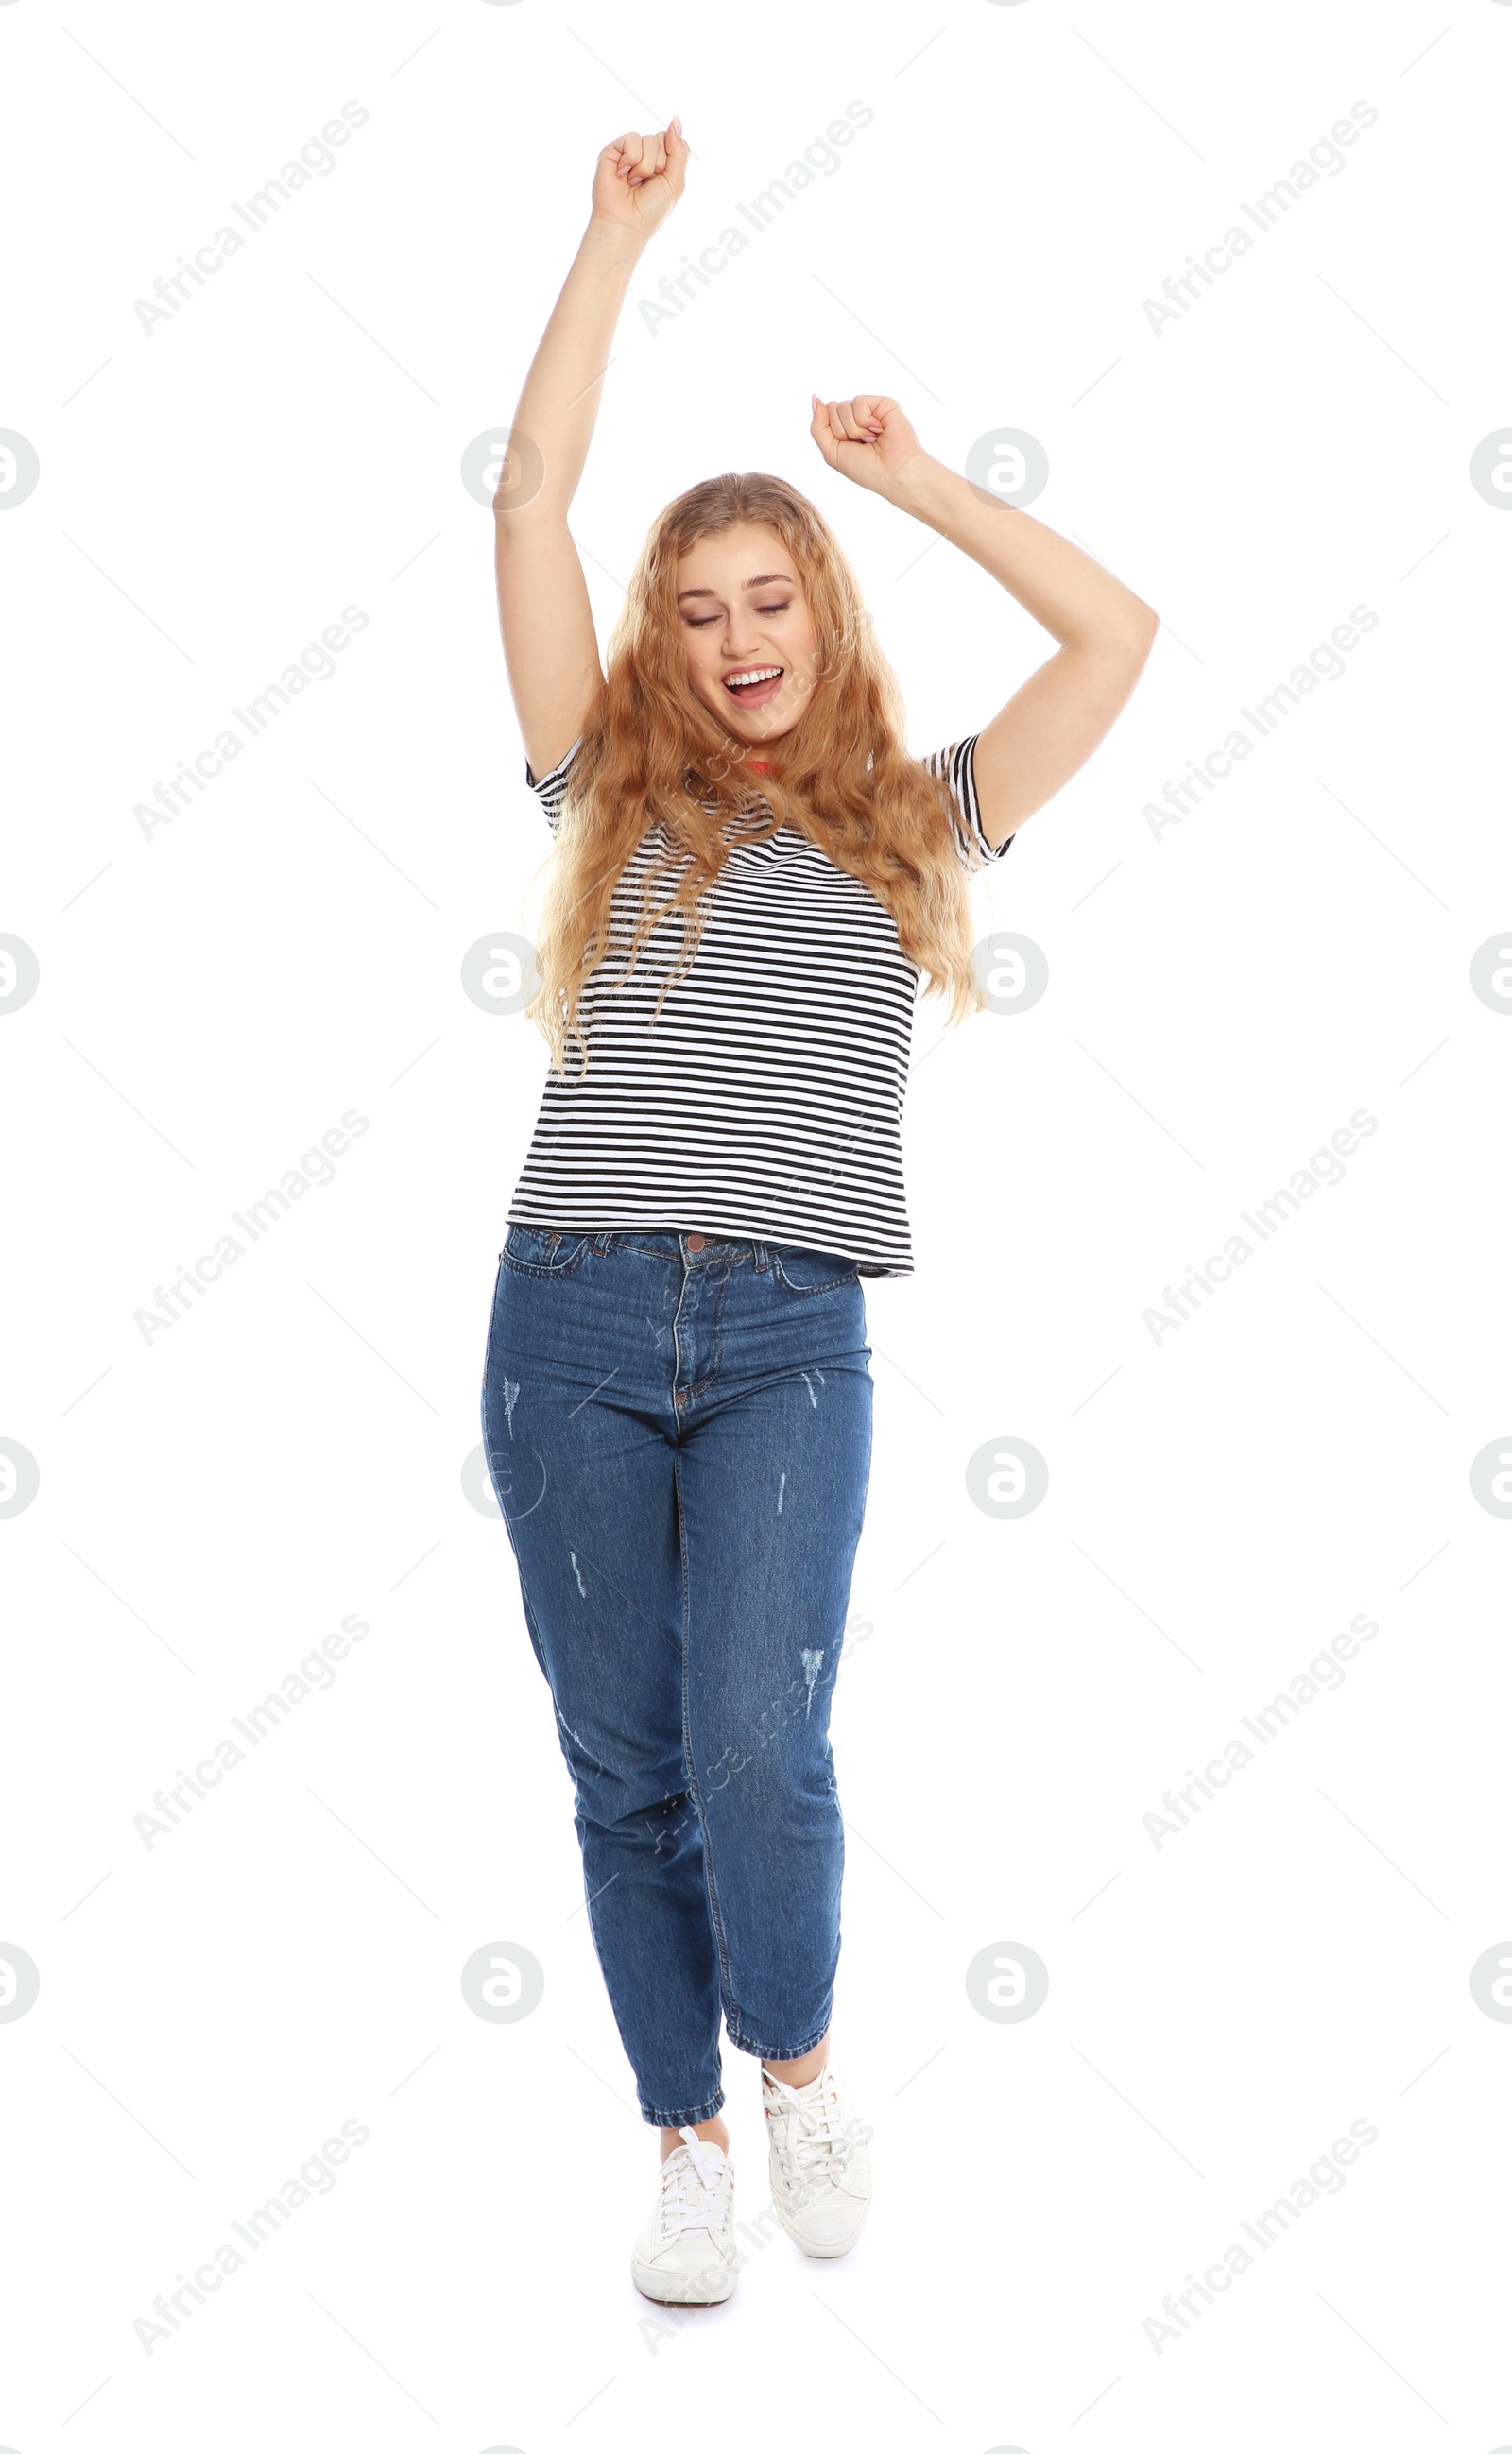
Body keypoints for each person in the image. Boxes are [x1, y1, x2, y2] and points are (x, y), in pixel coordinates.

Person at [481, 118, 1157, 2306]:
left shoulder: (911, 820)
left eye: (766, 602)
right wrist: (613, 236)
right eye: (695, 613)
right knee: (623, 1767)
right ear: (657, 651)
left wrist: (912, 482)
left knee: (757, 1745)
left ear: (816, 619)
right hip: (567, 1324)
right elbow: (525, 500)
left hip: (786, 1337)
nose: (733, 638)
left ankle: (794, 2065)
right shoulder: (605, 783)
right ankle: (680, 2140)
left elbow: (1117, 633)